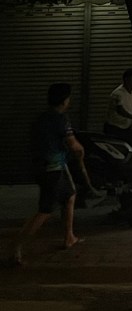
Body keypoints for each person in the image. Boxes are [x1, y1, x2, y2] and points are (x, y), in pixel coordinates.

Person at [9, 82, 85, 265]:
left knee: (70, 195)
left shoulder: (41, 118)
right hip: (53, 169)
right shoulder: (61, 119)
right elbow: (74, 145)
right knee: (45, 210)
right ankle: (16, 246)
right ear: (64, 100)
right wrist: (81, 152)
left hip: (44, 167)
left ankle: (69, 237)